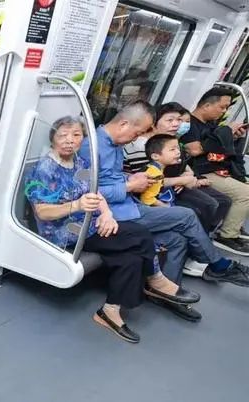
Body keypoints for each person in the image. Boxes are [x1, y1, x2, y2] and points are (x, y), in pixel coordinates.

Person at [27, 116, 199, 343]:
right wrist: (76, 206)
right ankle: (157, 279)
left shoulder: (80, 162)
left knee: (131, 258)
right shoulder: (44, 169)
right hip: (66, 231)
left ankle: (109, 312)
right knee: (139, 234)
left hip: (89, 223)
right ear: (53, 139)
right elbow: (42, 212)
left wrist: (106, 214)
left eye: (76, 135)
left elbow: (94, 192)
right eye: (63, 135)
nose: (70, 140)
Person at [79, 101, 249, 322]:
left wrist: (130, 178)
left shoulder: (115, 144)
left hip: (127, 205)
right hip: (111, 214)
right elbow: (86, 191)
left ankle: (166, 295)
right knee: (186, 216)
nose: (136, 138)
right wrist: (129, 186)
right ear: (123, 124)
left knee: (177, 239)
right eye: (137, 133)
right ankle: (218, 265)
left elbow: (110, 178)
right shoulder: (91, 147)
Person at [180, 87, 249, 255]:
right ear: (207, 106)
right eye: (222, 107)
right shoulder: (189, 124)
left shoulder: (211, 125)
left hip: (217, 167)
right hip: (201, 171)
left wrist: (231, 137)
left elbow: (215, 145)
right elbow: (194, 150)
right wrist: (225, 132)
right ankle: (227, 235)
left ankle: (232, 225)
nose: (224, 111)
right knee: (245, 193)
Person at [157, 103, 231, 234]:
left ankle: (204, 235)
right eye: (171, 120)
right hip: (166, 188)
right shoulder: (155, 145)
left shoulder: (176, 143)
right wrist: (183, 180)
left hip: (179, 184)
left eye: (183, 121)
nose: (177, 124)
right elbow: (157, 177)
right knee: (203, 207)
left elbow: (185, 166)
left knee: (218, 202)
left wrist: (189, 177)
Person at [139, 134, 181, 207]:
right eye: (172, 149)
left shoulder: (153, 168)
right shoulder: (155, 173)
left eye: (178, 148)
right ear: (155, 156)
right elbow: (146, 199)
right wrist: (167, 207)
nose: (178, 152)